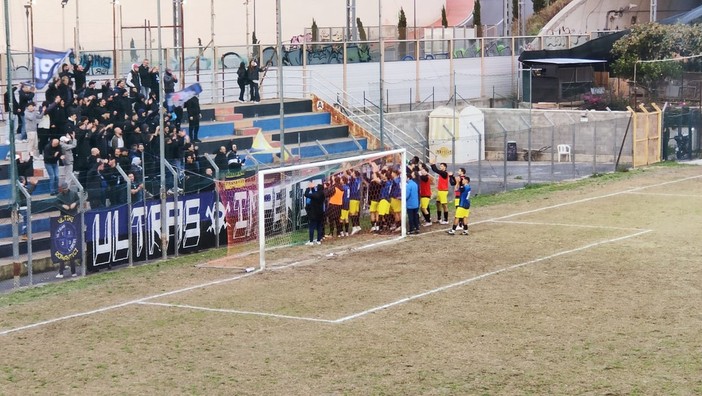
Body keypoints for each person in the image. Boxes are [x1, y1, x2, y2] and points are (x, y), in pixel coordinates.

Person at [303, 181, 325, 245]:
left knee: (312, 227)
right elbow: (314, 194)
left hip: (314, 214)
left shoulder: (315, 195)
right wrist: (312, 188)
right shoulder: (322, 194)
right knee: (319, 227)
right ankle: (318, 240)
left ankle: (311, 241)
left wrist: (308, 188)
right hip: (320, 213)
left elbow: (306, 194)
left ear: (318, 189)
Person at [429, 158, 450, 224]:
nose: (440, 167)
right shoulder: (442, 173)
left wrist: (432, 164)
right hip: (440, 191)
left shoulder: (444, 173)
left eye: (441, 166)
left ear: (445, 167)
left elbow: (436, 170)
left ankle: (446, 219)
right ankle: (439, 218)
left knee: (444, 205)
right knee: (438, 204)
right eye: (440, 166)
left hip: (443, 191)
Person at [17, 176, 38, 241]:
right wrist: (33, 184)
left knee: (26, 221)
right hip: (24, 207)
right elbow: (29, 191)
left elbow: (29, 190)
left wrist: (33, 185)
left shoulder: (17, 188)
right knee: (26, 222)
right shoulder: (21, 188)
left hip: (20, 208)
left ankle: (25, 234)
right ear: (24, 181)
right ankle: (24, 235)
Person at [406, 170, 420, 234]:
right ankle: (417, 228)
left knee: (410, 217)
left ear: (408, 178)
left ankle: (411, 229)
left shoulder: (408, 185)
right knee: (415, 216)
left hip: (410, 204)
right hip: (416, 203)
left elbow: (407, 195)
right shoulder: (415, 184)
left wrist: (402, 199)